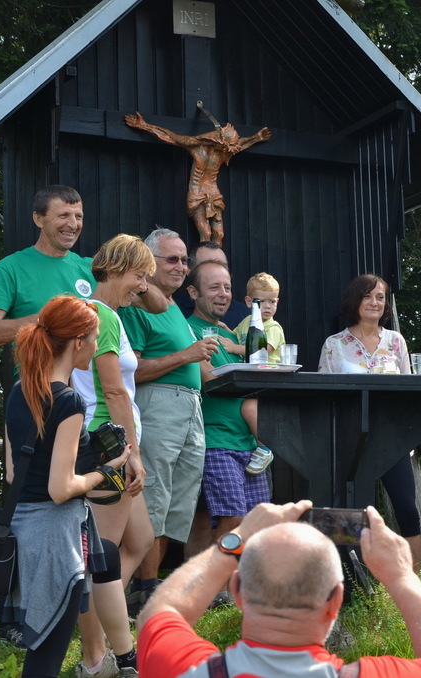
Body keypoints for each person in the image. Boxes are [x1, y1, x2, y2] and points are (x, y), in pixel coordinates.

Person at [136, 501, 421, 678]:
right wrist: (401, 576)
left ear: (237, 591)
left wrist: (236, 539)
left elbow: (159, 612)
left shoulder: (184, 669)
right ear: (335, 602)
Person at [1, 295, 133, 677]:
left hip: (24, 527)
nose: (96, 345)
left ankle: (126, 658)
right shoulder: (70, 402)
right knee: (45, 661)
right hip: (55, 538)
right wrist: (107, 470)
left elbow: (13, 473)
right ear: (78, 342)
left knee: (106, 556)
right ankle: (120, 660)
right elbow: (61, 489)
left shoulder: (19, 391)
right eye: (94, 338)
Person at [119, 228, 220, 610]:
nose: (181, 266)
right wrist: (187, 355)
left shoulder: (172, 306)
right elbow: (131, 371)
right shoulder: (136, 305)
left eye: (185, 260)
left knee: (178, 503)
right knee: (154, 498)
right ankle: (143, 589)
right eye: (172, 259)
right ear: (149, 262)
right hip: (157, 407)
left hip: (190, 408)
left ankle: (153, 586)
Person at [71, 235, 157, 676]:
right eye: (140, 275)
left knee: (140, 541)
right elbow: (113, 390)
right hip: (108, 446)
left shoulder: (104, 314)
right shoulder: (101, 314)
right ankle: (94, 657)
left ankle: (104, 628)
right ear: (118, 268)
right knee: (98, 560)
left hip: (108, 441)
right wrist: (132, 453)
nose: (143, 285)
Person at [0, 184, 164, 350]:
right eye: (63, 215)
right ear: (39, 219)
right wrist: (52, 318)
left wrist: (139, 280)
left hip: (93, 377)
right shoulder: (10, 268)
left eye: (78, 216)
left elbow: (159, 307)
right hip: (39, 378)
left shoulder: (93, 268)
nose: (73, 224)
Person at [317, 274, 421, 569]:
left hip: (392, 439)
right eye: (367, 296)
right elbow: (322, 396)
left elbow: (410, 390)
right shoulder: (334, 344)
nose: (374, 302)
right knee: (350, 512)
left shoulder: (396, 341)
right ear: (355, 301)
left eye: (380, 297)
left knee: (407, 509)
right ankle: (350, 578)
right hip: (349, 439)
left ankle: (416, 580)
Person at [184, 260, 270, 564]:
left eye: (227, 288)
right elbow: (209, 380)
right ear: (193, 292)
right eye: (214, 287)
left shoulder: (233, 336)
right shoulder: (187, 330)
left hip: (251, 445)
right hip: (216, 440)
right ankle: (210, 585)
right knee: (230, 520)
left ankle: (232, 586)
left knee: (256, 524)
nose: (223, 294)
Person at [124, 109, 272, 245]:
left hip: (213, 190)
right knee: (205, 233)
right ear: (218, 140)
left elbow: (241, 144)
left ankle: (216, 261)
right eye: (225, 146)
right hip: (197, 191)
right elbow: (172, 137)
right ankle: (204, 262)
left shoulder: (224, 151)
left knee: (219, 234)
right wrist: (145, 126)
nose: (228, 150)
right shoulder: (197, 146)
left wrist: (257, 137)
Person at [229, 272, 286, 472]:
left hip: (269, 379)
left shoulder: (273, 327)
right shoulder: (247, 322)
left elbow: (262, 349)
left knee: (249, 408)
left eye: (272, 301)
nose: (267, 306)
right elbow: (234, 336)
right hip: (253, 379)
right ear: (248, 302)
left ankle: (265, 447)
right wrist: (222, 328)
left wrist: (232, 348)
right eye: (261, 302)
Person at [174, 242, 249, 327]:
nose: (217, 271)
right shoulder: (174, 312)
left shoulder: (245, 315)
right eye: (207, 265)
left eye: (222, 266)